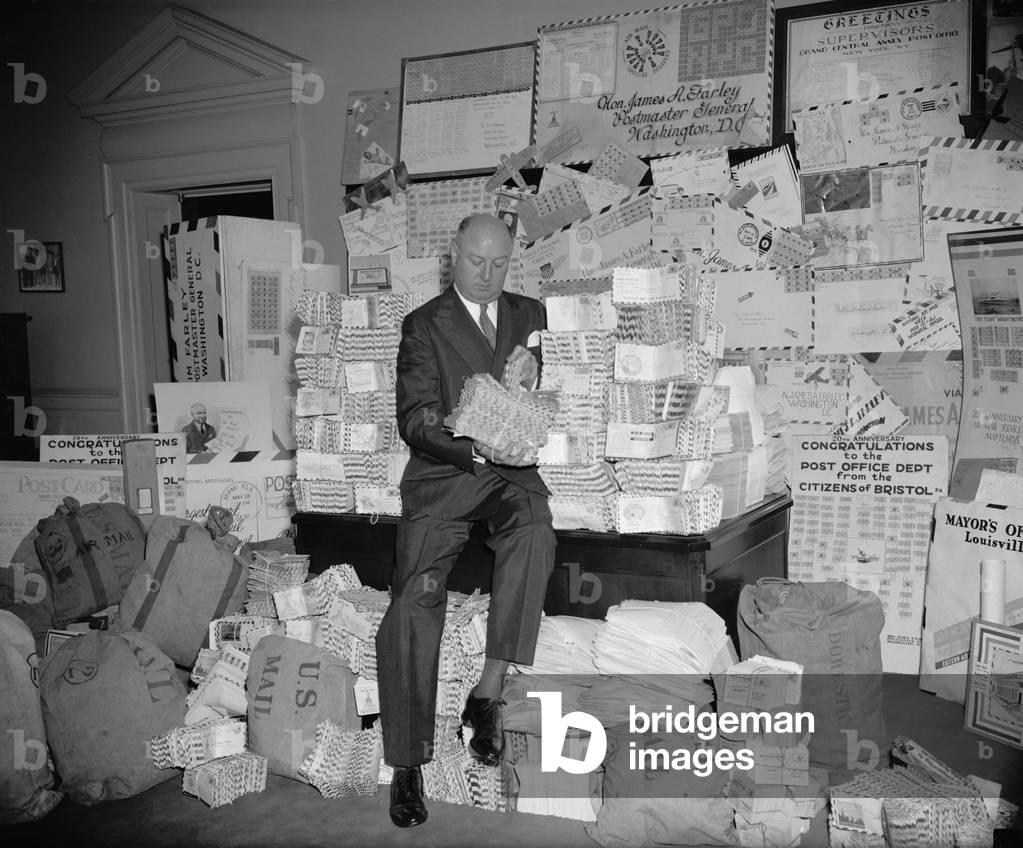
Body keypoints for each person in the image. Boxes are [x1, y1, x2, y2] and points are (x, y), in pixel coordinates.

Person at [375, 214, 556, 828]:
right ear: (453, 254)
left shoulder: (531, 314)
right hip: (445, 476)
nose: (487, 274)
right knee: (414, 596)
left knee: (535, 530)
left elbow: (546, 386)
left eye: (499, 263)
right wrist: (474, 440)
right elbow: (415, 417)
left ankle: (488, 689)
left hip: (510, 476)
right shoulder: (424, 324)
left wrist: (532, 380)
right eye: (476, 261)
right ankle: (408, 762)